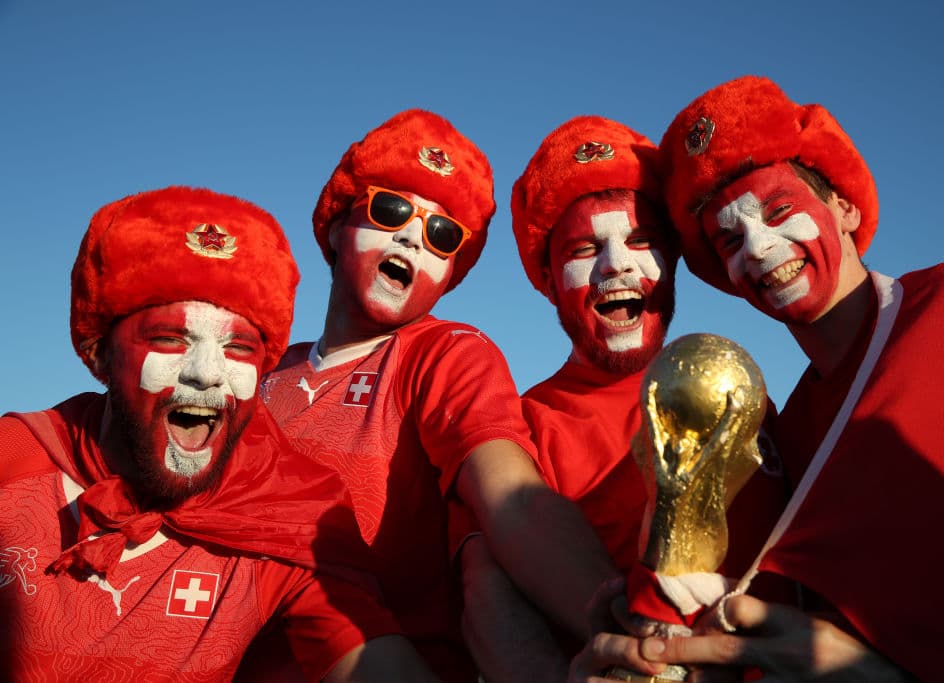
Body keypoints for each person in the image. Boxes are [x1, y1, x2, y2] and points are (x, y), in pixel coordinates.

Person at [579, 75, 944, 681]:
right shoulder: (785, 431)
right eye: (729, 240)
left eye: (780, 212)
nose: (759, 250)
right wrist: (667, 600)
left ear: (842, 205)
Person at [0, 186, 441, 681]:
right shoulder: (14, 458)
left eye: (239, 348)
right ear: (100, 352)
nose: (207, 373)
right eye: (170, 339)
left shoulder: (284, 516)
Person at [257, 109, 620, 682]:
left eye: (442, 234)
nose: (411, 234)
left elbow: (514, 501)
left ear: (450, 274)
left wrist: (623, 629)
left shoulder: (447, 354)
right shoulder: (257, 374)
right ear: (334, 225)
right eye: (391, 208)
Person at [459, 116, 792, 682]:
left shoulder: (743, 388)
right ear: (547, 277)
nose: (617, 264)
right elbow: (484, 602)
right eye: (586, 248)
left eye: (641, 242)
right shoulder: (516, 430)